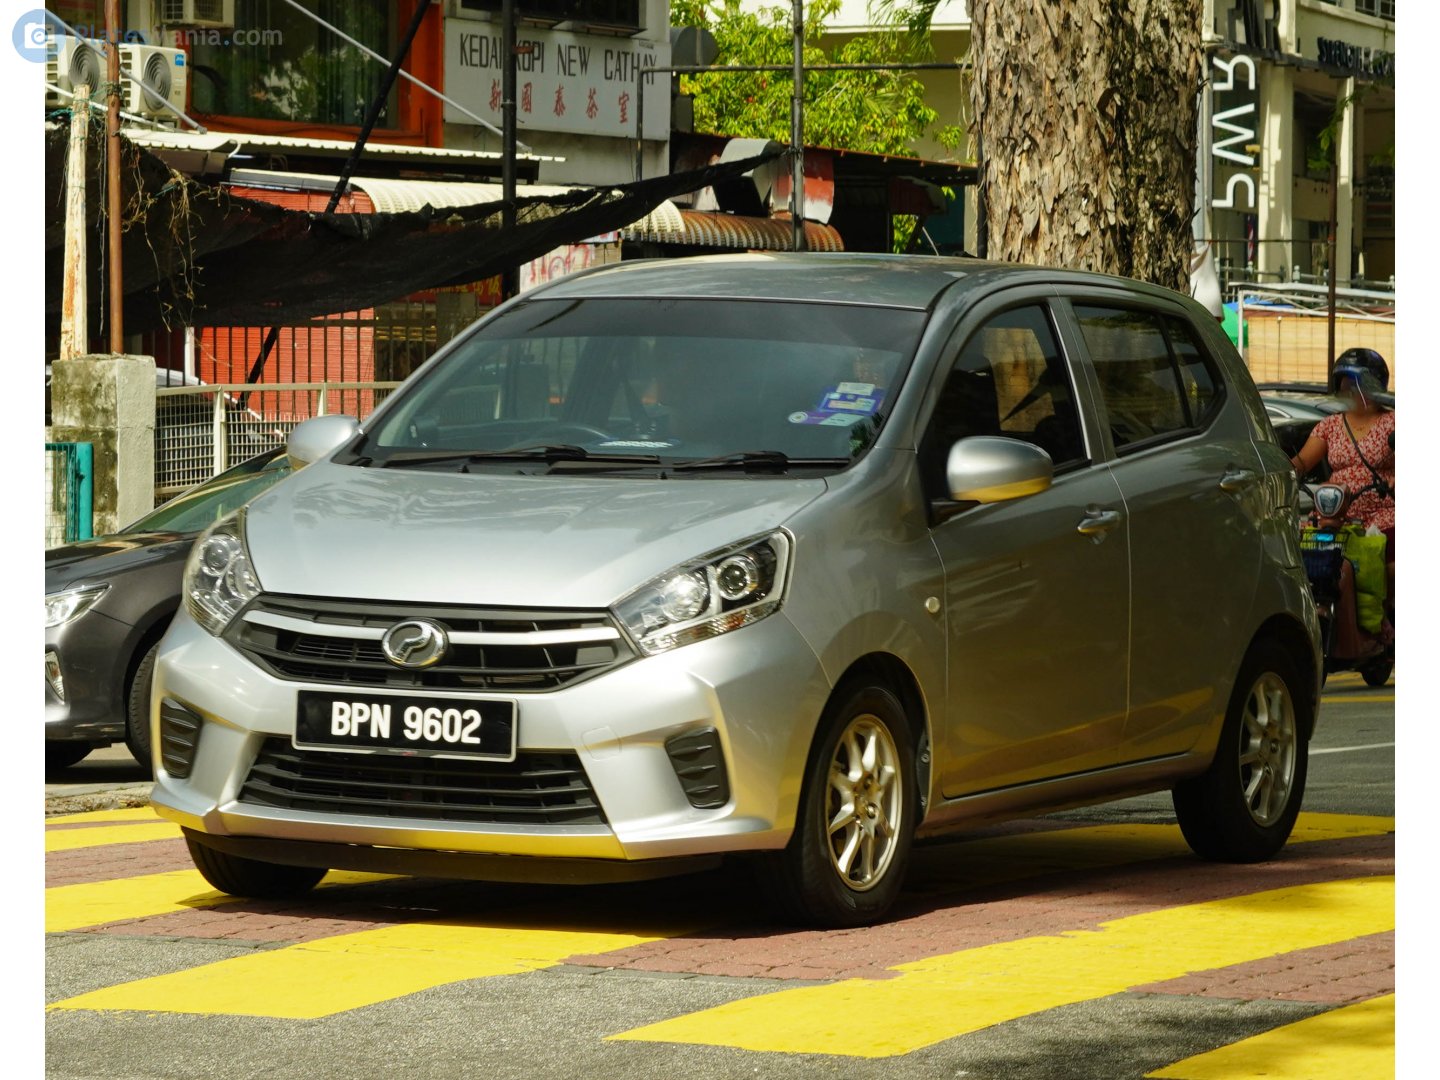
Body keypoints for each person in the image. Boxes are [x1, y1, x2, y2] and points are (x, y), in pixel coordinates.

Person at [1290, 347, 1395, 603]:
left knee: (1391, 570)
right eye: (1346, 383)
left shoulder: (1395, 422)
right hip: (1335, 512)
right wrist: (1279, 471)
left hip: (1382, 514)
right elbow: (1301, 463)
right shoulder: (1330, 425)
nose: (1351, 389)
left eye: (1358, 383)